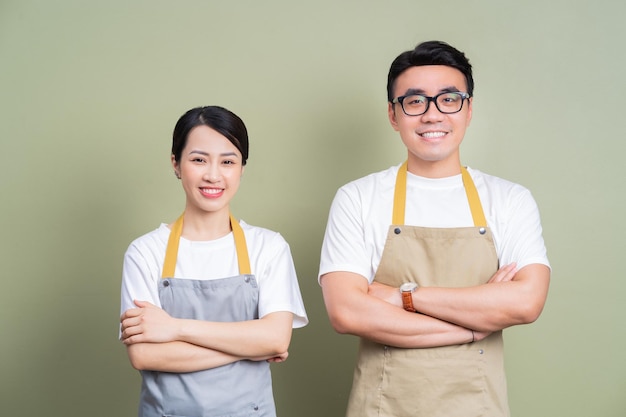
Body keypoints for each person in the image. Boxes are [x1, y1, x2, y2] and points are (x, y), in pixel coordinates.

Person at [318, 40, 550, 417]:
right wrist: (472, 328)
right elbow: (347, 311)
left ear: (468, 109)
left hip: (479, 406)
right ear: (394, 116)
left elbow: (526, 302)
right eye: (414, 102)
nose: (432, 114)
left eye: (448, 99)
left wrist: (405, 295)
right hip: (381, 407)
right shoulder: (357, 198)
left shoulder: (510, 200)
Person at [120, 105, 308, 417]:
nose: (213, 175)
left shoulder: (269, 247)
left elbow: (275, 338)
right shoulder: (144, 252)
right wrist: (249, 347)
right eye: (198, 160)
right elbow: (143, 355)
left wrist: (175, 328)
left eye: (228, 162)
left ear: (241, 168)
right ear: (176, 164)